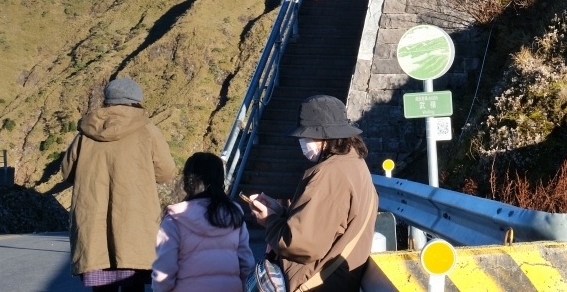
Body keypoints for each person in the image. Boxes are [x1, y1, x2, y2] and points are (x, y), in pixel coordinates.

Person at [249, 95, 378, 292]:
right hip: (337, 280)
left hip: (315, 283)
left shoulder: (329, 174)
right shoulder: (355, 164)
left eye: (306, 136)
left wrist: (270, 221)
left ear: (326, 136)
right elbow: (327, 225)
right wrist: (281, 212)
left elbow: (300, 243)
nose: (302, 141)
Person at [62, 77, 175, 292]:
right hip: (135, 231)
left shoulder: (86, 132)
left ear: (108, 100)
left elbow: (67, 172)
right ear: (136, 101)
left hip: (94, 234)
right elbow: (166, 172)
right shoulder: (148, 130)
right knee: (134, 288)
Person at [152, 153, 254, 292]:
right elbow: (246, 264)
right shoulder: (234, 214)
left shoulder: (174, 219)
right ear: (220, 179)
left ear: (188, 180)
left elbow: (164, 273)